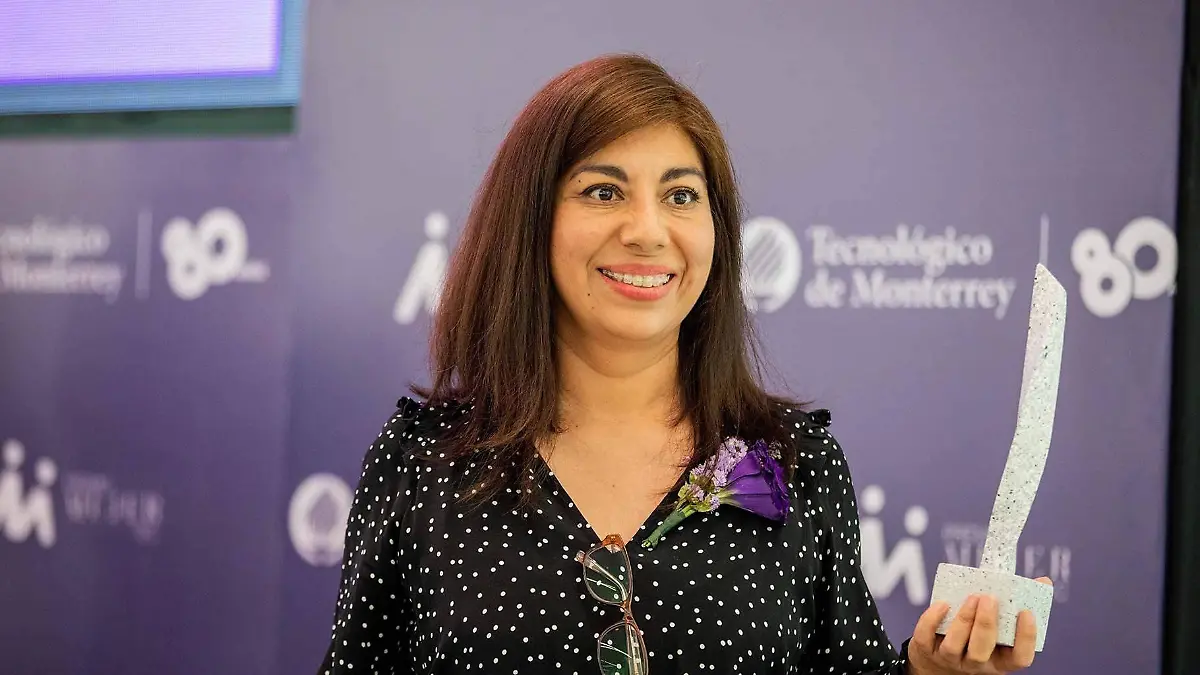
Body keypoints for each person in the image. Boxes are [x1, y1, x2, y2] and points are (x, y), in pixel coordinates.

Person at [317, 53, 1050, 675]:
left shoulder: (796, 463)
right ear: (530, 222)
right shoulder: (424, 459)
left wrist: (929, 671)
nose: (647, 230)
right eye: (603, 191)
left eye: (680, 195)